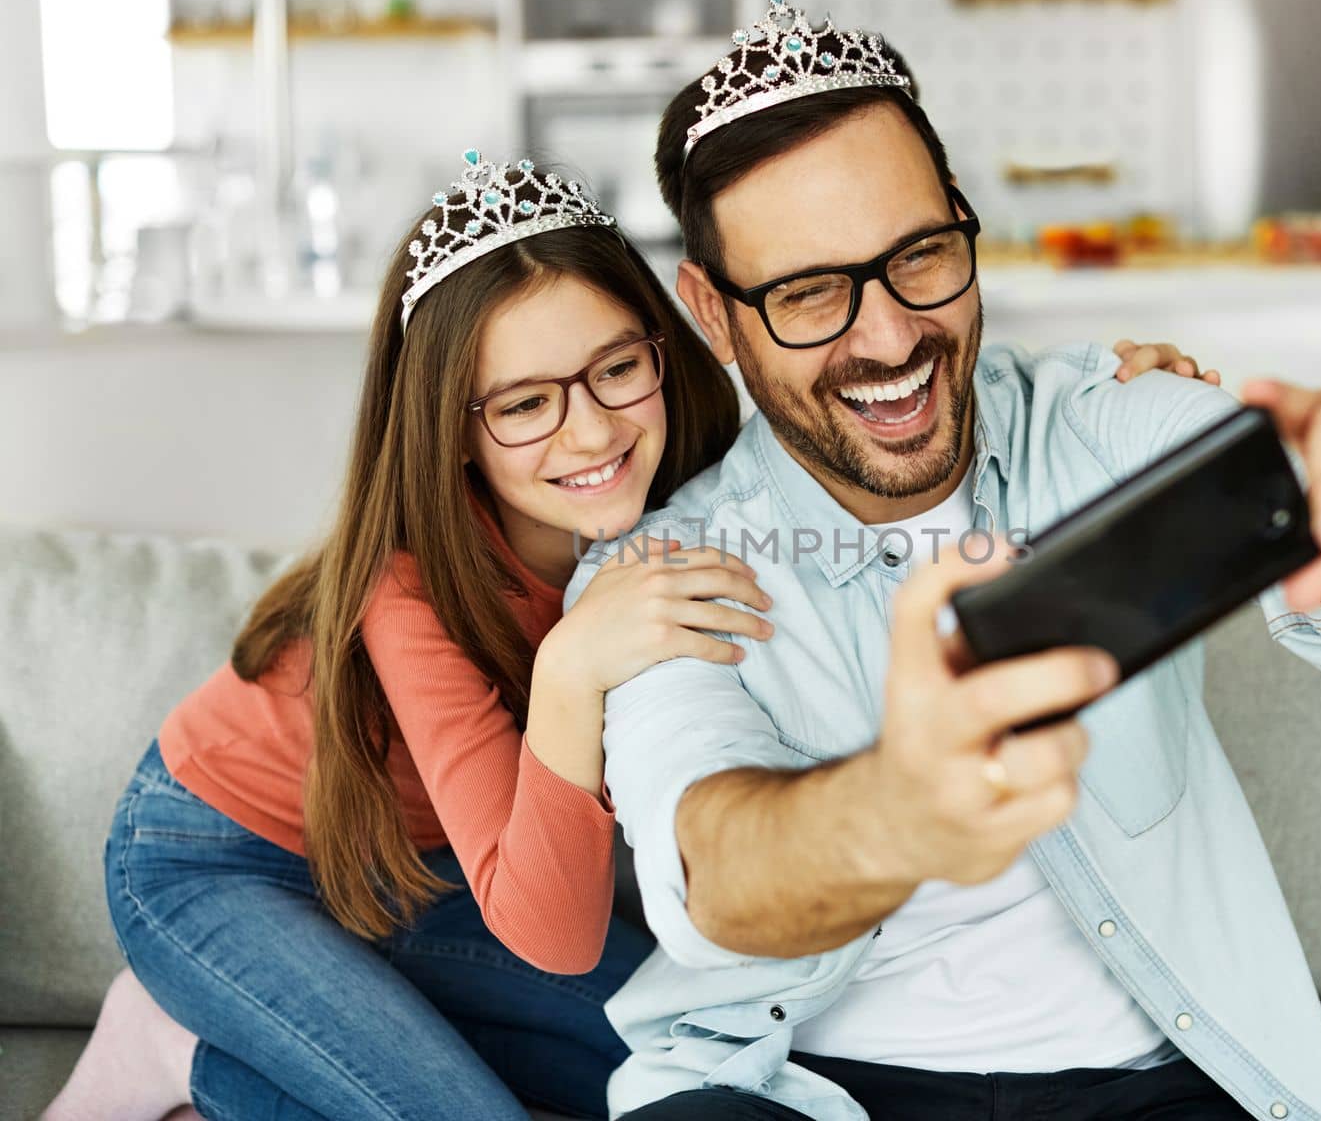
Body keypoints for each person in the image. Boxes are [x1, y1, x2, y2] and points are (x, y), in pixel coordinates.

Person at [42, 151, 1201, 1121]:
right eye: (525, 401)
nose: (590, 429)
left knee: (678, 1060)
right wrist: (572, 664)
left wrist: (1105, 389)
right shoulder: (406, 595)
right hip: (217, 859)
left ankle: (257, 1051)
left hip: (423, 871)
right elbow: (547, 930)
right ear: (454, 429)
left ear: (665, 351)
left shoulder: (690, 494)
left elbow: (866, 403)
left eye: (613, 369)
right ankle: (178, 1048)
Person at [564, 0, 1321, 1121]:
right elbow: (714, 867)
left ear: (964, 222)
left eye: (918, 254)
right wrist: (896, 810)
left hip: (1151, 1087)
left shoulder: (1098, 421)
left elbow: (1313, 514)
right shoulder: (662, 568)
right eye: (809, 292)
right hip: (807, 1091)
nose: (887, 337)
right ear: (714, 317)